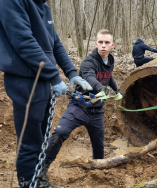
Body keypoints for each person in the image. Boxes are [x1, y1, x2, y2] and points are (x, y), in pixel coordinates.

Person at [0, 0, 92, 187]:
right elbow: (23, 41)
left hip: (42, 78)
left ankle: (39, 179)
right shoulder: (12, 2)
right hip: (24, 79)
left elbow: (55, 43)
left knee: (41, 136)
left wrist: (72, 73)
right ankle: (28, 181)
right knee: (30, 138)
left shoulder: (43, 6)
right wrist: (54, 76)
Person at [43, 29, 123, 186]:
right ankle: (41, 170)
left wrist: (117, 89)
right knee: (60, 132)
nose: (103, 46)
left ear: (112, 45)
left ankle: (97, 174)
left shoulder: (110, 60)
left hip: (97, 112)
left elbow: (109, 75)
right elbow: (89, 77)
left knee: (99, 149)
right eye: (100, 42)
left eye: (107, 43)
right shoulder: (89, 62)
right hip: (79, 107)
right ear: (96, 43)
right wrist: (100, 87)